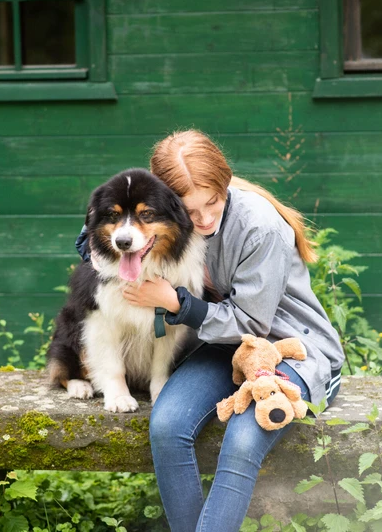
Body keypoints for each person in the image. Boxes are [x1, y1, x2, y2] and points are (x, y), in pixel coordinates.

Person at [114, 129, 346, 531]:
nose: (204, 219)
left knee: (241, 438)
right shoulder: (161, 221)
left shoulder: (260, 227)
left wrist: (176, 304)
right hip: (224, 346)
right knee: (167, 426)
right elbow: (99, 227)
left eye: (214, 202)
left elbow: (252, 323)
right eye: (189, 211)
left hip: (291, 349)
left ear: (224, 186)